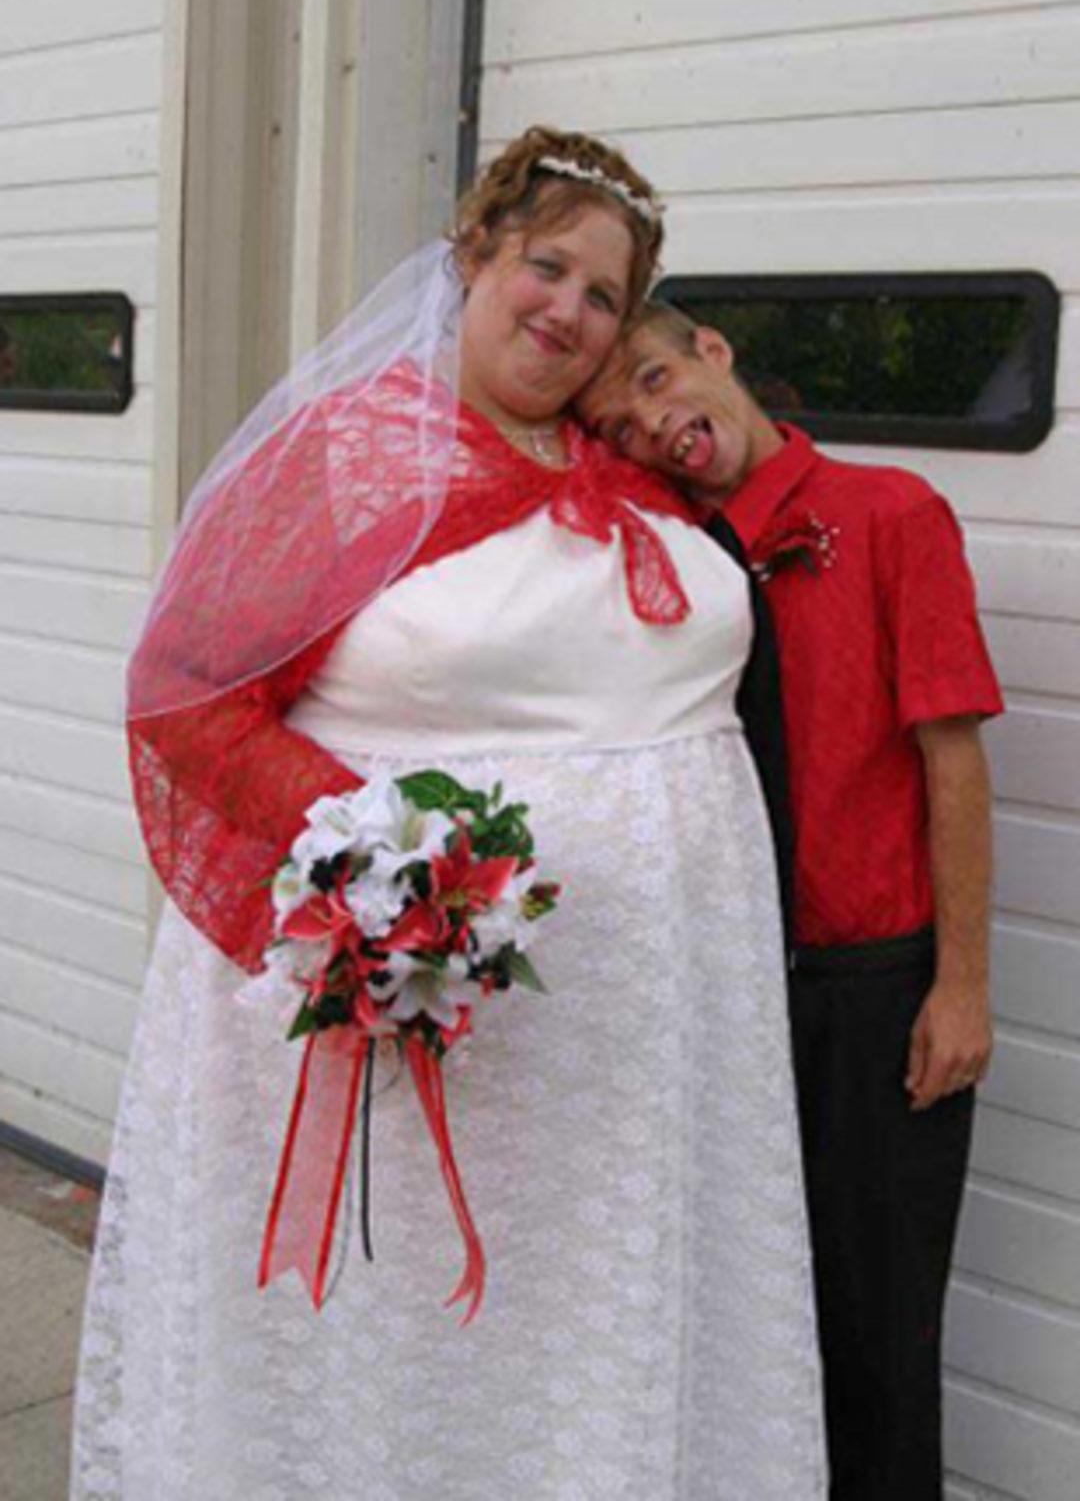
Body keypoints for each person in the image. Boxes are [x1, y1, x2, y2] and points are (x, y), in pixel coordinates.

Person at [71, 130, 826, 1501]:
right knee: (415, 1351)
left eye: (604, 295)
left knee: (597, 1340)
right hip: (426, 1015)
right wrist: (383, 863)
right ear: (473, 255)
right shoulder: (348, 460)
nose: (568, 311)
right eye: (547, 266)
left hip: (641, 1059)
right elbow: (187, 698)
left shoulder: (635, 469)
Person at [578, 301, 1003, 1501]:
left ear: (713, 351)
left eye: (655, 379)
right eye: (623, 428)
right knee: (753, 1325)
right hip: (729, 986)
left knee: (881, 1334)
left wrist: (962, 987)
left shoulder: (891, 514)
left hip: (875, 993)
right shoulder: (671, 560)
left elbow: (953, 761)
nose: (658, 426)